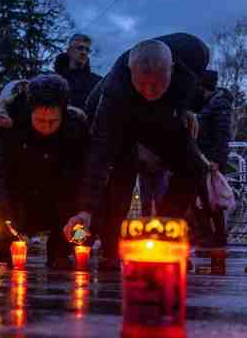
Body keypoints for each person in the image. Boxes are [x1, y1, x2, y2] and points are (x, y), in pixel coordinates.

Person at [64, 34, 210, 265]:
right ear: (131, 72)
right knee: (121, 173)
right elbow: (100, 157)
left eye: (158, 83)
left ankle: (161, 232)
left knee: (193, 167)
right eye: (142, 83)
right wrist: (85, 209)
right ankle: (111, 247)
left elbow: (190, 91)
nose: (150, 90)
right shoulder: (113, 95)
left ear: (172, 69)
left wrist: (185, 110)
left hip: (162, 116)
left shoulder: (195, 53)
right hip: (122, 119)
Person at [0, 74, 90, 267]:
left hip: (59, 198)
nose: (46, 127)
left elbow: (86, 175)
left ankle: (63, 250)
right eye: (40, 120)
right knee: (0, 215)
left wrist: (84, 210)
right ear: (29, 111)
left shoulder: (76, 128)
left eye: (53, 121)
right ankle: (6, 247)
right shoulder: (10, 125)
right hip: (18, 196)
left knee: (80, 222)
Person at [197, 69, 234, 246]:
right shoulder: (213, 103)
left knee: (213, 197)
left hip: (211, 159)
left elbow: (222, 134)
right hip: (207, 157)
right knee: (208, 197)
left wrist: (217, 160)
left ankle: (217, 235)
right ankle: (212, 235)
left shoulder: (217, 105)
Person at [53, 33, 102, 112]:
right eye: (80, 48)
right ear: (69, 51)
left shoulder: (98, 82)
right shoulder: (54, 81)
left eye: (87, 50)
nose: (84, 53)